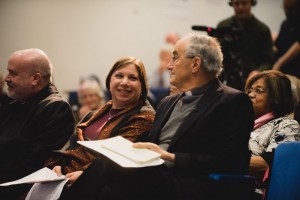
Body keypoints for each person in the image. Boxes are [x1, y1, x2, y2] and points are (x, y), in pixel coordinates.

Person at [54, 34, 254, 200]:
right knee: (103, 178)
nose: (169, 65)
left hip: (188, 183)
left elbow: (230, 162)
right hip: (150, 176)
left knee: (103, 182)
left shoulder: (233, 101)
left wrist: (171, 157)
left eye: (175, 57)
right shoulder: (168, 102)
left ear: (195, 64)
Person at [45, 56, 155, 184]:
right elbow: (70, 146)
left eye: (133, 78)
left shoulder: (144, 116)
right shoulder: (92, 115)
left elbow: (114, 160)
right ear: (109, 81)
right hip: (62, 177)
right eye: (119, 76)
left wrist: (84, 175)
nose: (124, 82)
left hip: (96, 184)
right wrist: (58, 166)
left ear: (143, 86)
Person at [0, 48, 75, 199]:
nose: (6, 78)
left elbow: (30, 165)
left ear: (35, 79)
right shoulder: (15, 104)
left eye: (13, 74)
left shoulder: (56, 109)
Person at [245, 70, 300, 198]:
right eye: (249, 90)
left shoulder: (286, 125)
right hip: (229, 183)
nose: (250, 95)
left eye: (259, 91)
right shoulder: (242, 123)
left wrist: (223, 159)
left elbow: (268, 166)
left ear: (276, 97)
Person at [216, 0, 274, 91]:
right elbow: (217, 54)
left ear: (251, 3)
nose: (240, 7)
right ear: (232, 4)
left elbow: (268, 59)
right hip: (226, 79)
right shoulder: (222, 26)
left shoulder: (262, 29)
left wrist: (258, 71)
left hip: (253, 80)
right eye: (237, 4)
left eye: (244, 3)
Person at [273, 0, 300, 78]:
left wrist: (279, 63)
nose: (286, 11)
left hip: (296, 71)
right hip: (283, 71)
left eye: (290, 8)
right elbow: (277, 46)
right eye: (285, 7)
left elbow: (298, 45)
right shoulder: (285, 24)